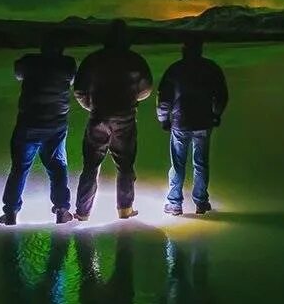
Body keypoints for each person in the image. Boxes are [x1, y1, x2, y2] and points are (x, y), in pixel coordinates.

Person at [72, 19, 154, 220]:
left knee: (91, 165)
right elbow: (146, 89)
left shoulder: (93, 59)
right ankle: (125, 209)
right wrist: (130, 99)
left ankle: (83, 212)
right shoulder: (135, 60)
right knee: (125, 165)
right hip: (125, 119)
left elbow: (80, 89)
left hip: (98, 117)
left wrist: (92, 107)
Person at [0, 31, 76, 225]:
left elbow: (17, 72)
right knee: (58, 167)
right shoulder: (67, 64)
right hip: (55, 125)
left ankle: (10, 212)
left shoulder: (30, 62)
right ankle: (61, 209)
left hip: (29, 123)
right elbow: (73, 78)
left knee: (19, 168)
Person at [156, 37, 228, 215]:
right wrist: (216, 114)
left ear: (184, 49)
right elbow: (221, 95)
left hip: (181, 122)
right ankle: (201, 202)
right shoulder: (211, 68)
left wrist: (164, 119)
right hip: (204, 122)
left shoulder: (175, 70)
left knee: (178, 163)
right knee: (201, 163)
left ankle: (175, 203)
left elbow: (164, 98)